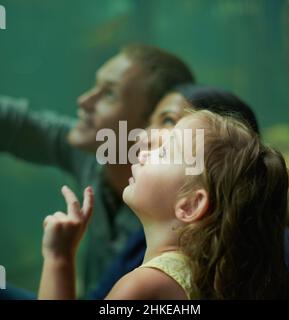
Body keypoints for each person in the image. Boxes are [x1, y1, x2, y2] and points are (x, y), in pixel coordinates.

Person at [0, 44, 195, 294]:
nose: (84, 101)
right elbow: (18, 125)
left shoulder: (167, 210)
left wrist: (59, 258)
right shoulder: (92, 156)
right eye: (96, 87)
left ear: (147, 125)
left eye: (109, 94)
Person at [38, 108, 289, 299]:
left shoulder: (144, 286)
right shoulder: (207, 278)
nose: (144, 153)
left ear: (190, 205)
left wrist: (59, 257)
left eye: (165, 151)